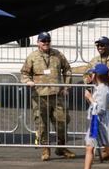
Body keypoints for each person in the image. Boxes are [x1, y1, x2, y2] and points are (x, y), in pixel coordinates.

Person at [20, 31, 76, 161]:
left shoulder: (58, 55)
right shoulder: (32, 57)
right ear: (38, 42)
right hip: (40, 96)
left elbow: (67, 69)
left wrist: (67, 86)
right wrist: (28, 81)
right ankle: (45, 149)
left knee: (62, 122)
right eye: (43, 41)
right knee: (41, 124)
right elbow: (24, 73)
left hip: (57, 96)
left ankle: (62, 148)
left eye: (48, 41)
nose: (46, 43)